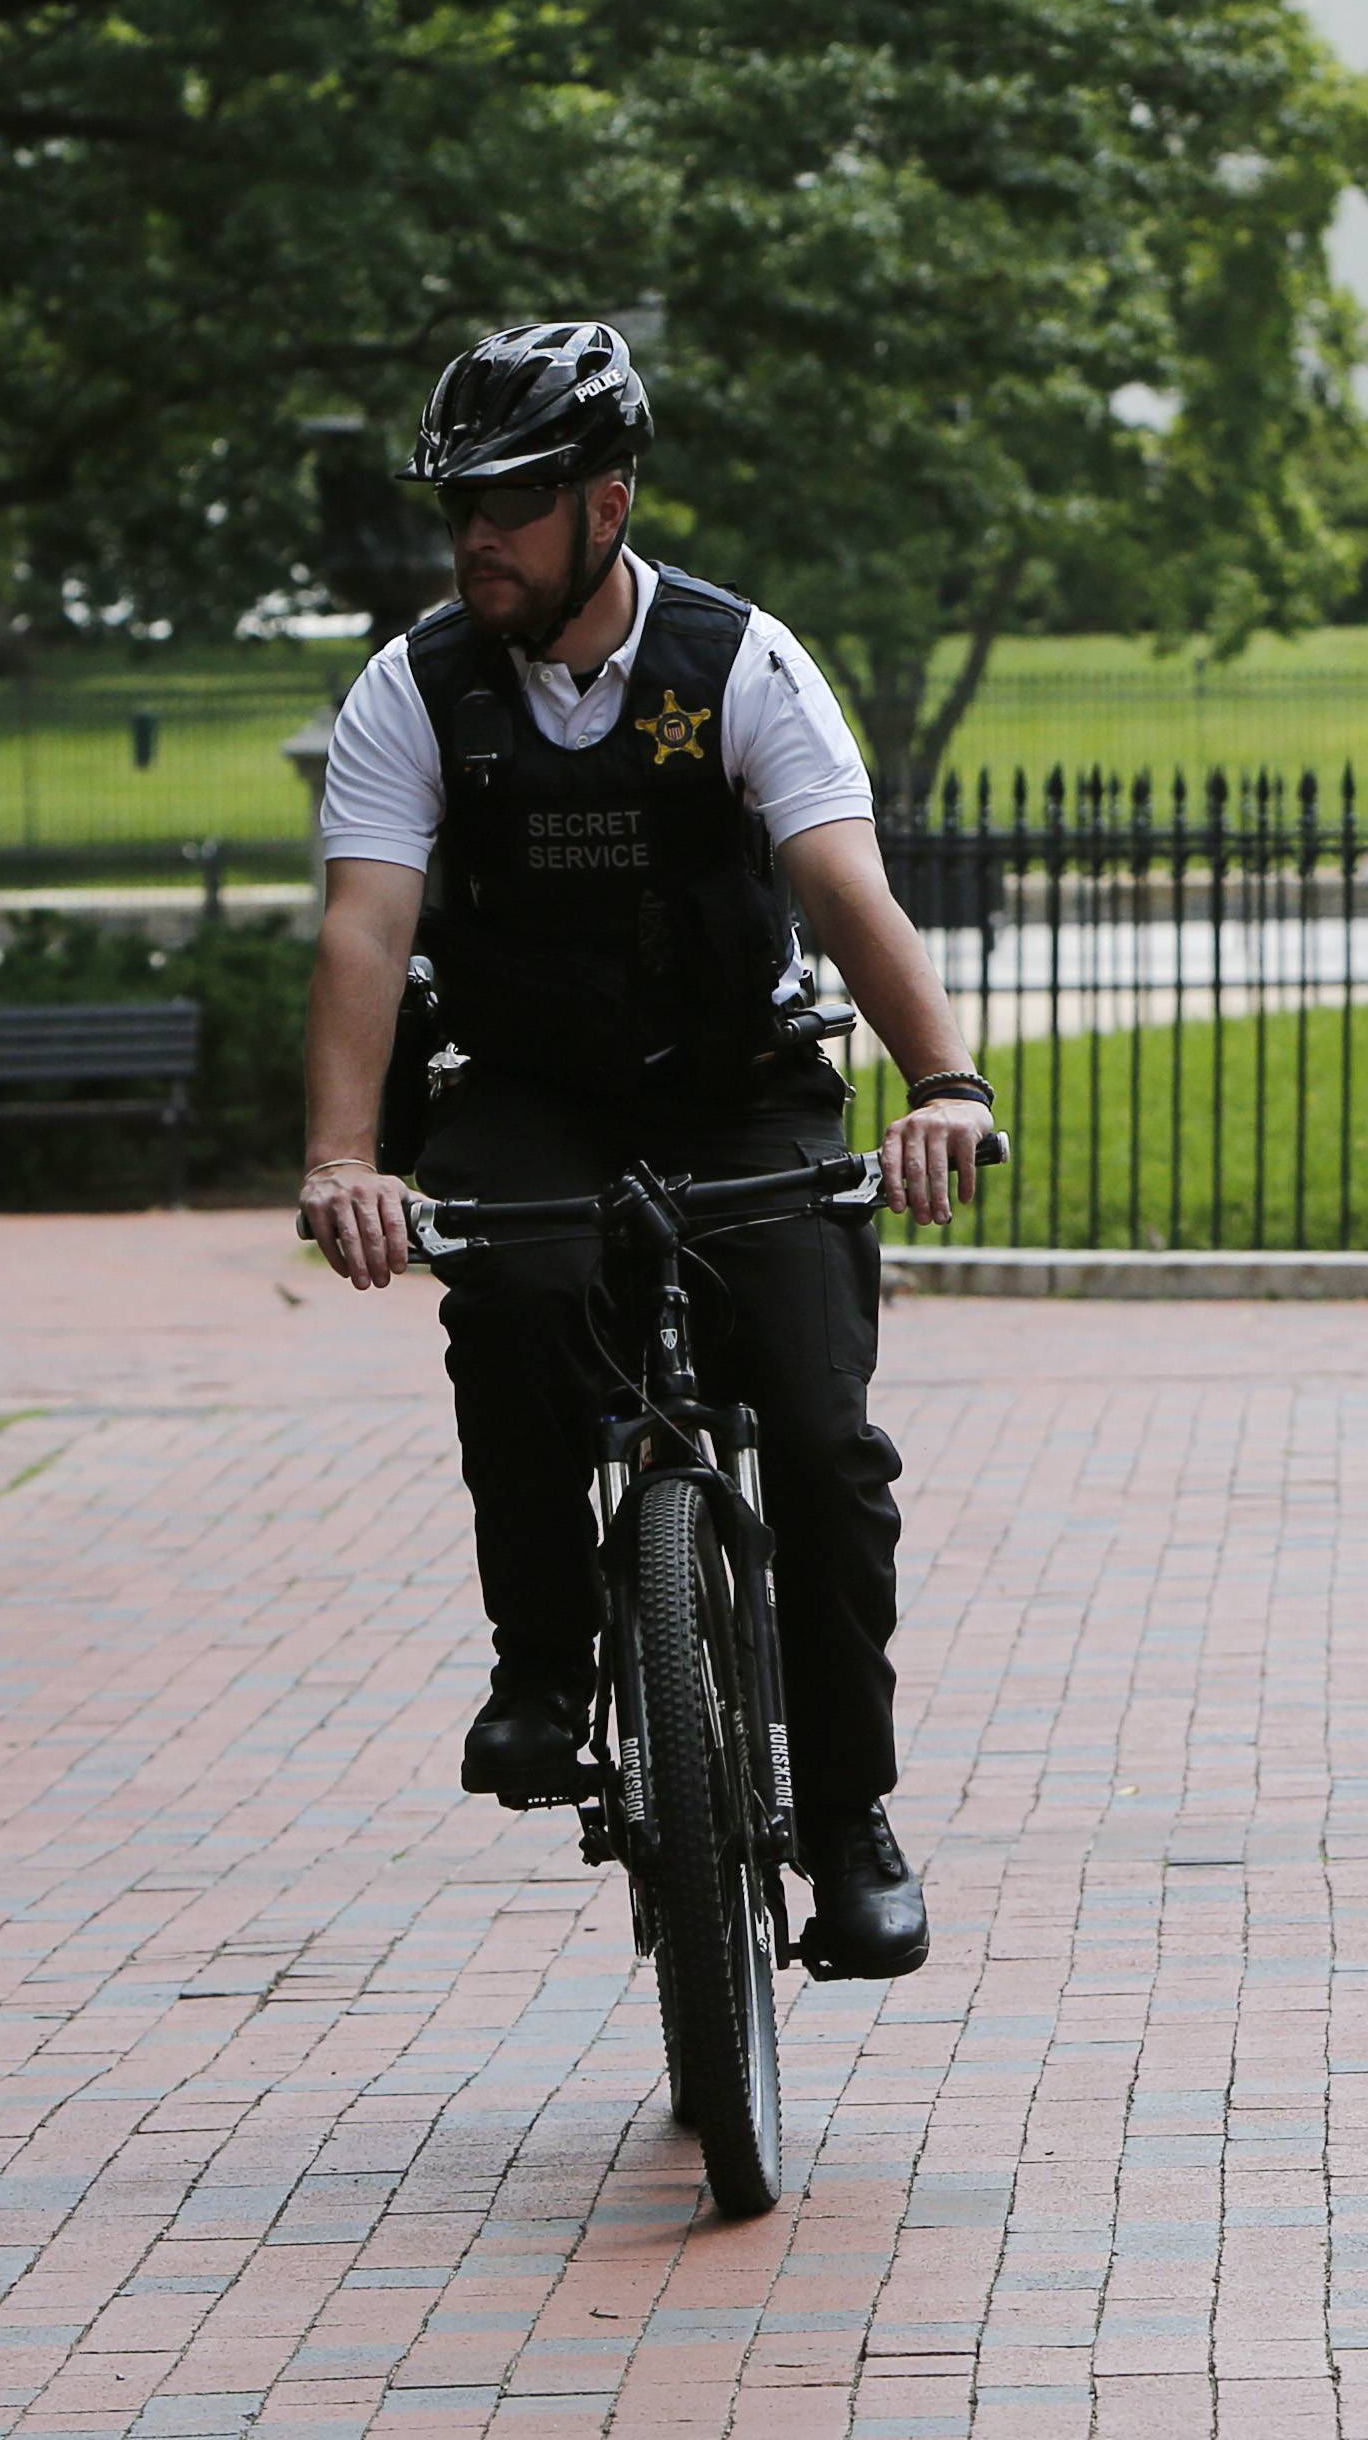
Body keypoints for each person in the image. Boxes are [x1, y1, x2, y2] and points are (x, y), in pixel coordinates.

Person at [293, 321, 996, 1980]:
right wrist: (344, 1159)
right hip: (526, 1087)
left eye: (514, 503)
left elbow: (841, 887)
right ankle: (542, 1672)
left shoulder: (738, 664)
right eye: (461, 503)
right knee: (518, 1304)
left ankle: (846, 1821)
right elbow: (363, 932)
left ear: (607, 503)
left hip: (737, 1084)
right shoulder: (417, 688)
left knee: (823, 1444)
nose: (476, 536)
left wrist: (946, 1084)